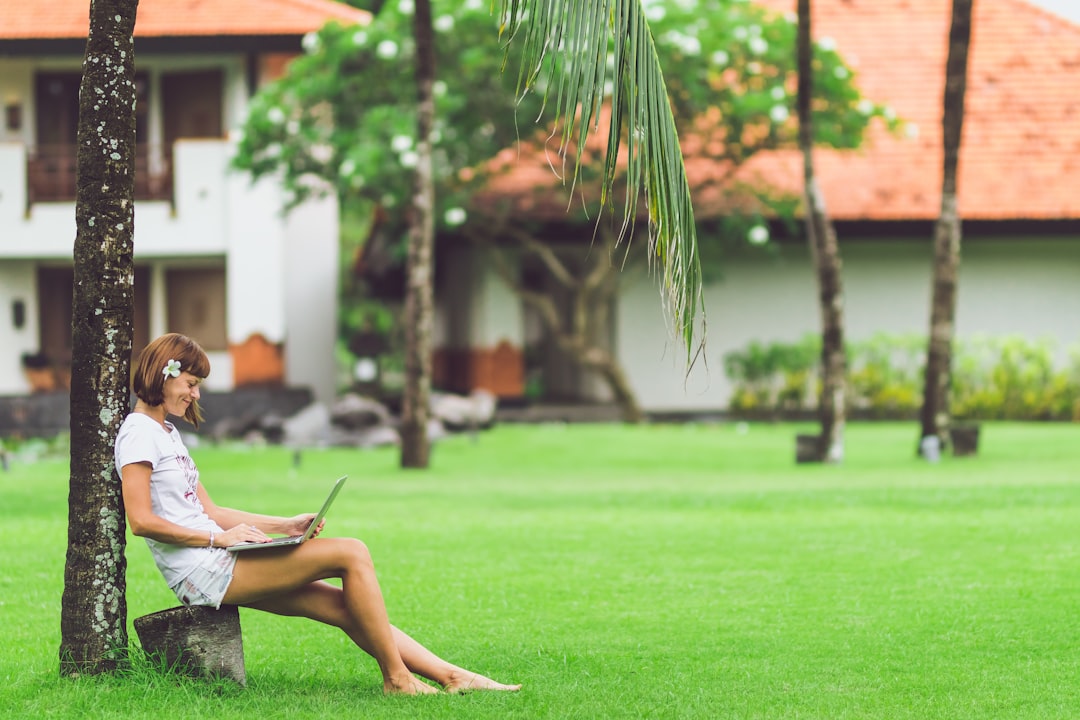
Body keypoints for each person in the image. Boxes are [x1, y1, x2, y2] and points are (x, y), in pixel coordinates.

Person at [115, 332, 521, 696]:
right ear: (164, 376)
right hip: (202, 570)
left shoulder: (166, 432)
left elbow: (210, 510)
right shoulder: (138, 433)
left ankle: (452, 676)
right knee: (351, 553)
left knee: (347, 608)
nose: (195, 395)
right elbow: (141, 521)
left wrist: (285, 525)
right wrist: (216, 538)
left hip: (219, 558)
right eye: (191, 384)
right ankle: (397, 679)